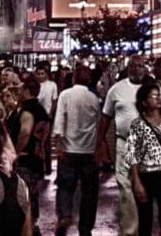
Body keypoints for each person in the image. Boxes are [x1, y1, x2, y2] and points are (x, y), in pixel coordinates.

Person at [96, 55, 148, 236]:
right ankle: (130, 230)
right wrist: (100, 143)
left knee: (146, 186)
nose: (137, 69)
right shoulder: (116, 90)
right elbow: (105, 117)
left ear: (145, 68)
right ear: (128, 68)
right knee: (125, 186)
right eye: (133, 66)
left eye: (141, 66)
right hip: (123, 143)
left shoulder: (152, 89)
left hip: (148, 145)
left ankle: (144, 226)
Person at [127, 83, 161, 236]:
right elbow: (133, 154)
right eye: (153, 96)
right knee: (145, 220)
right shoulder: (137, 124)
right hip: (146, 175)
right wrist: (137, 181)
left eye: (159, 95)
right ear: (144, 102)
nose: (158, 98)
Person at [51, 64, 100, 236]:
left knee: (65, 186)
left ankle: (64, 214)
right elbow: (98, 124)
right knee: (89, 192)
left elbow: (59, 121)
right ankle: (85, 227)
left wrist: (58, 143)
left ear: (73, 79)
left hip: (68, 149)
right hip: (88, 150)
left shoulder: (65, 95)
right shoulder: (94, 98)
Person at [6, 74, 50, 234]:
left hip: (26, 160)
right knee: (32, 196)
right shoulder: (41, 110)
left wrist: (15, 154)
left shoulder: (28, 111)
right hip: (38, 159)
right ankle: (32, 225)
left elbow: (24, 133)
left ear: (26, 90)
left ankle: (28, 228)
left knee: (24, 199)